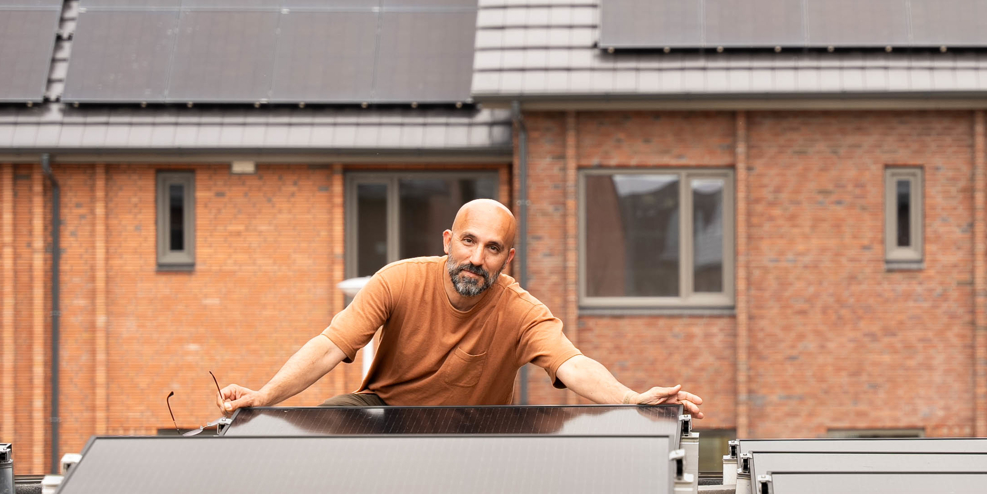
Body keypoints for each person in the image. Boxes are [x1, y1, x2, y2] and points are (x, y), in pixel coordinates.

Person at [218, 199, 702, 416]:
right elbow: (330, 346)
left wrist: (629, 399)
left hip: (477, 427)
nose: (476, 258)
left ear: (507, 259)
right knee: (330, 414)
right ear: (448, 240)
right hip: (389, 412)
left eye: (492, 248)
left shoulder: (521, 311)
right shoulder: (398, 280)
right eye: (468, 241)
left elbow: (571, 364)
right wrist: (262, 397)